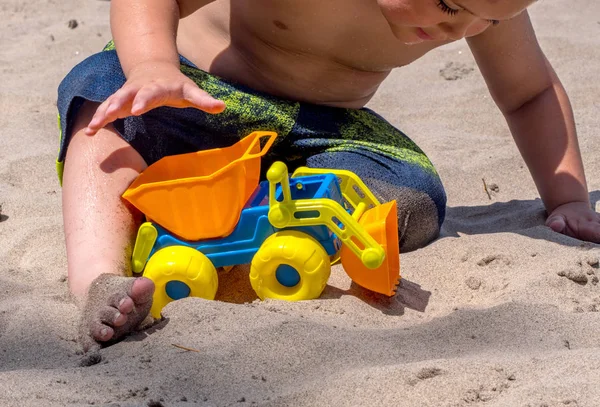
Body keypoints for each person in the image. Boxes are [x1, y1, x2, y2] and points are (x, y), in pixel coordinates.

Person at [57, 0, 600, 352]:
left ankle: (261, 221)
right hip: (195, 95)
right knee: (102, 96)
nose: (460, 29)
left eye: (486, 21)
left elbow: (528, 92)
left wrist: (567, 197)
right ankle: (102, 280)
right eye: (446, 4)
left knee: (412, 191)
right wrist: (153, 64)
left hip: (320, 131)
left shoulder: (478, 5)